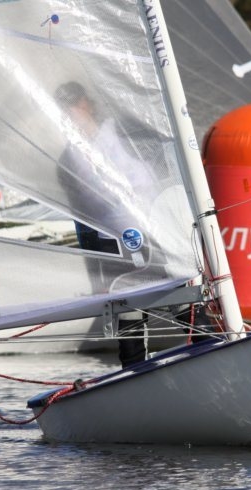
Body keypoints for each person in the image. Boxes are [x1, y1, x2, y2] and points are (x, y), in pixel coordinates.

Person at [54, 81, 154, 368]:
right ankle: (135, 372)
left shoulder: (123, 131)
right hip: (114, 244)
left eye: (74, 106)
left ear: (86, 104)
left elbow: (162, 168)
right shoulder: (68, 161)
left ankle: (208, 347)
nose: (71, 114)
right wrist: (97, 280)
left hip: (156, 232)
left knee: (181, 298)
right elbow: (83, 223)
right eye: (64, 109)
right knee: (128, 313)